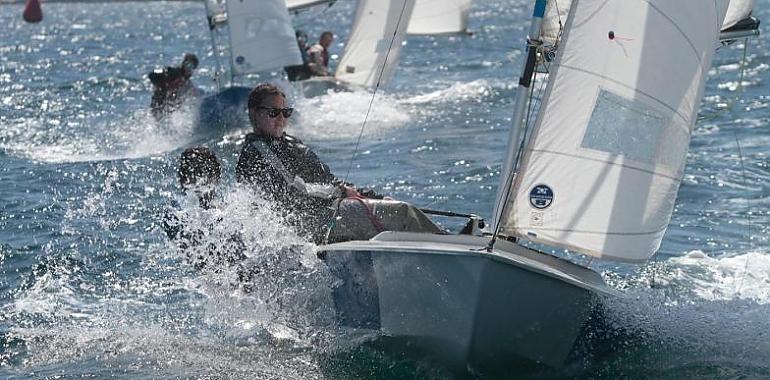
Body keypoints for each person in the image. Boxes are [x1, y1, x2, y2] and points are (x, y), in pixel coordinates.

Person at [236, 83, 443, 244]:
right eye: (273, 112)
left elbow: (329, 182)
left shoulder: (288, 143)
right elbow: (294, 192)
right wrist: (340, 193)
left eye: (285, 112)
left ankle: (446, 242)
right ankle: (449, 245)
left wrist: (371, 196)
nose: (281, 118)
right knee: (402, 212)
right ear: (254, 114)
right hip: (309, 222)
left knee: (391, 205)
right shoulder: (258, 152)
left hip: (328, 210)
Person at [163, 146, 245, 269]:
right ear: (218, 177)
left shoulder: (172, 217)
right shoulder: (234, 211)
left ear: (182, 181)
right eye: (193, 174)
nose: (197, 179)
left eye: (201, 173)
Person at [148, 53, 201, 120]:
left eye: (192, 67)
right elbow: (151, 75)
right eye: (188, 65)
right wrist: (164, 84)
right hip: (160, 102)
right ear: (183, 63)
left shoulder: (187, 82)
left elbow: (193, 94)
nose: (189, 68)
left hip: (170, 108)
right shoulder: (173, 72)